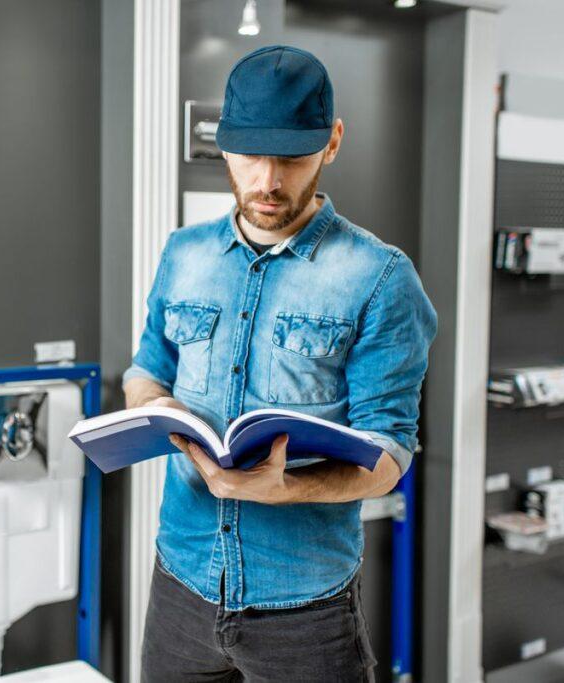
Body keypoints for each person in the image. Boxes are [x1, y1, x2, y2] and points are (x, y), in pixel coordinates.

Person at [122, 45, 438, 682]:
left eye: (292, 157)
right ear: (225, 145)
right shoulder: (183, 254)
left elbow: (389, 453)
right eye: (249, 155)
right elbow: (147, 366)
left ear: (332, 142)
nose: (267, 180)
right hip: (179, 586)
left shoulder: (380, 278)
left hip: (306, 612)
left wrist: (287, 487)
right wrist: (153, 410)